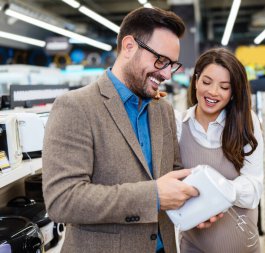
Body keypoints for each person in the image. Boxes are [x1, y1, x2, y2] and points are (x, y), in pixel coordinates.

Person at [42, 7, 199, 253]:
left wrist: (200, 202)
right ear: (129, 47)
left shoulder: (163, 110)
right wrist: (153, 196)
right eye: (161, 61)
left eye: (173, 65)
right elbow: (63, 200)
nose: (167, 73)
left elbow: (174, 173)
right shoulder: (75, 107)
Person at [175, 48, 264, 253]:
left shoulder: (246, 123)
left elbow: (253, 190)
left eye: (224, 87)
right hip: (193, 246)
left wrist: (215, 196)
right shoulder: (179, 125)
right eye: (206, 82)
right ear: (195, 80)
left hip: (242, 245)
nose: (213, 92)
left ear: (233, 93)